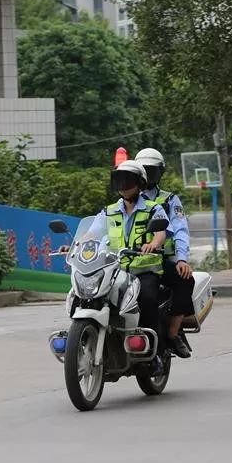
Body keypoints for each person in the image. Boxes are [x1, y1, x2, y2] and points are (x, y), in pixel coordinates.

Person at [80, 160, 168, 345]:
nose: (123, 186)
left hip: (144, 271)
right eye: (119, 181)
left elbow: (161, 233)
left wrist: (153, 244)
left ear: (140, 183)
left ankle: (154, 347)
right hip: (115, 270)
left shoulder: (154, 208)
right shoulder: (108, 211)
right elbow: (92, 233)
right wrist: (76, 244)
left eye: (127, 181)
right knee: (88, 296)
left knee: (148, 298)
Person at [135, 148, 193, 359]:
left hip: (161, 259)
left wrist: (181, 259)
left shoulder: (169, 200)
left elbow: (180, 230)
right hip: (127, 261)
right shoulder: (126, 199)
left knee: (185, 279)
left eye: (153, 171)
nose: (148, 176)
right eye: (145, 171)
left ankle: (173, 334)